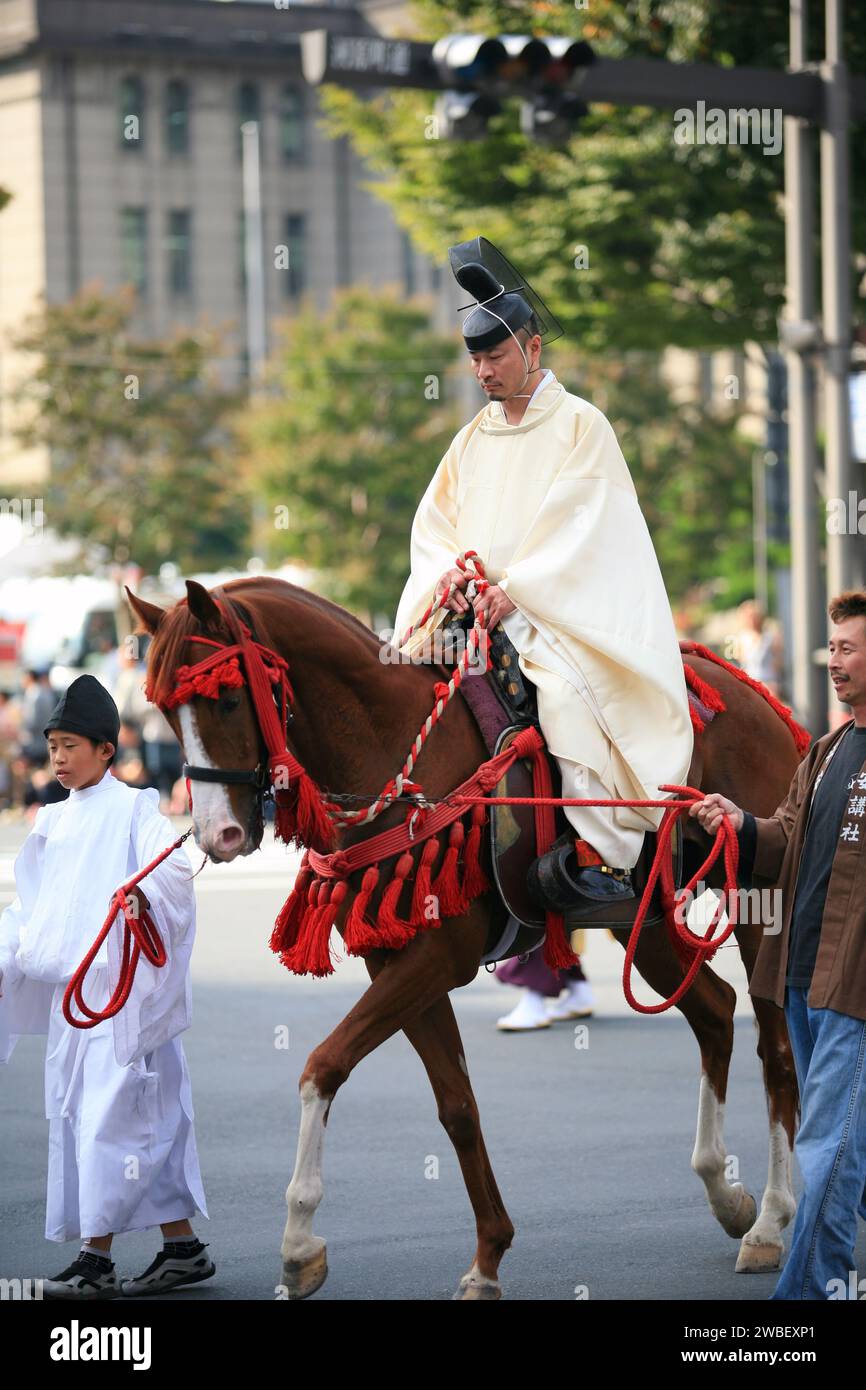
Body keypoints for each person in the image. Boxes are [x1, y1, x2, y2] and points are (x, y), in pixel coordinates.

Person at [393, 236, 693, 909]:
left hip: (556, 618)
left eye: (495, 355)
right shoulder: (470, 437)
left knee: (563, 699)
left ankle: (605, 858)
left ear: (532, 347)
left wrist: (516, 590)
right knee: (402, 683)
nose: (483, 372)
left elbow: (585, 531)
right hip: (474, 616)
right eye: (475, 359)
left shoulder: (583, 425)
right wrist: (450, 577)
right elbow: (435, 527)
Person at [0, 674, 213, 1300]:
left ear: (104, 748)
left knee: (111, 1124)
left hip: (125, 1001)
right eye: (54, 745)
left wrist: (140, 898)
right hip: (78, 1004)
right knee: (126, 1125)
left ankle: (96, 1260)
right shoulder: (53, 820)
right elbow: (29, 909)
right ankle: (184, 1248)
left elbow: (172, 874)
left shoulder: (135, 809)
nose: (59, 758)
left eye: (71, 745)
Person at [690, 590, 866, 1301]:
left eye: (850, 649)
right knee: (843, 1139)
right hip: (798, 978)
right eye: (834, 650)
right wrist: (739, 823)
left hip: (854, 988)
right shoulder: (825, 752)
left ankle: (805, 1296)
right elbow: (786, 836)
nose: (835, 663)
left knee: (825, 1147)